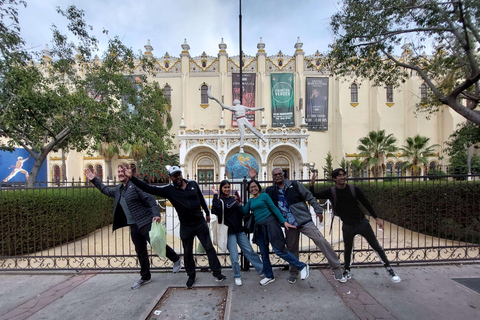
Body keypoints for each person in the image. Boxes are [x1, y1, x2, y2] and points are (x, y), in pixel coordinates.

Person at [121, 165, 226, 289]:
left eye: (179, 174)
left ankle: (217, 273)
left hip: (200, 223)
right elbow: (148, 188)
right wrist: (132, 178)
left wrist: (207, 214)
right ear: (170, 177)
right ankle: (191, 276)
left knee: (209, 248)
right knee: (187, 253)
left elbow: (201, 199)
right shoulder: (169, 190)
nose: (178, 177)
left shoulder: (193, 184)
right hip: (186, 226)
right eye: (175, 175)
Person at [85, 165, 182, 290]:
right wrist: (94, 179)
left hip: (145, 221)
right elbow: (106, 190)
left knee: (156, 243)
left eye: (122, 171)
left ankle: (176, 259)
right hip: (133, 225)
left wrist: (156, 214)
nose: (120, 173)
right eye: (119, 171)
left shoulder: (135, 186)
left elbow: (150, 199)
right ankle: (145, 276)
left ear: (127, 172)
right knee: (140, 250)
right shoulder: (119, 189)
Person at [310, 168, 401, 283]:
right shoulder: (331, 192)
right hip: (348, 225)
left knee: (376, 246)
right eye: (339, 176)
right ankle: (347, 270)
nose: (342, 177)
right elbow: (314, 195)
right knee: (348, 249)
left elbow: (366, 203)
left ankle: (389, 268)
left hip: (362, 222)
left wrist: (376, 218)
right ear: (334, 178)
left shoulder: (354, 189)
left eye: (344, 175)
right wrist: (312, 184)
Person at [259, 167, 346, 284]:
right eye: (275, 175)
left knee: (320, 240)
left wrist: (318, 210)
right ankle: (294, 273)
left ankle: (337, 268)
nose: (278, 176)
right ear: (273, 177)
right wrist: (253, 178)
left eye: (280, 174)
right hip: (290, 225)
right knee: (292, 249)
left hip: (304, 221)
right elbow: (256, 191)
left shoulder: (294, 185)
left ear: (283, 175)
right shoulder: (270, 191)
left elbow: (309, 196)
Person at [241, 179, 310, 286]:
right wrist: (238, 203)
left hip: (270, 224)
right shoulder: (250, 201)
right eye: (251, 187)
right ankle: (269, 276)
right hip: (259, 228)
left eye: (255, 186)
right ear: (248, 190)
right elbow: (244, 212)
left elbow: (274, 209)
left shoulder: (264, 196)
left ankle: (302, 266)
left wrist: (284, 222)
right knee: (264, 253)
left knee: (279, 250)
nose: (253, 188)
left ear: (258, 187)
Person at [211, 180, 264, 286]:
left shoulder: (233, 198)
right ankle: (237, 275)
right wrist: (215, 195)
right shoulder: (220, 200)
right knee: (234, 257)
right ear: (221, 188)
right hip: (229, 232)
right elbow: (215, 211)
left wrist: (239, 203)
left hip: (239, 230)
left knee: (249, 251)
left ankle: (262, 270)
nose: (227, 189)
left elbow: (241, 213)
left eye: (228, 187)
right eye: (225, 187)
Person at [207, 85, 266, 153]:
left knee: (243, 134)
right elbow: (252, 109)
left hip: (241, 119)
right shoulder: (239, 107)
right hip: (242, 119)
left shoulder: (237, 107)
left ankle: (258, 139)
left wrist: (215, 99)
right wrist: (260, 109)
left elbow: (223, 106)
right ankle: (259, 139)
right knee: (249, 130)